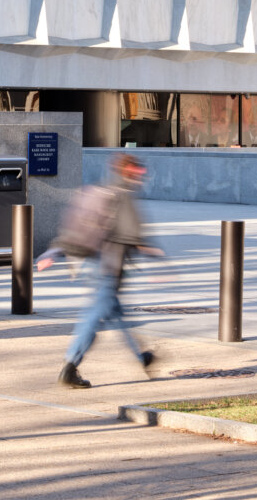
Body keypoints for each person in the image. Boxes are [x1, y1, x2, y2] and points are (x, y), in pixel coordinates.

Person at [41, 153, 163, 389]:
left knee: (117, 313)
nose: (142, 176)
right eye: (139, 172)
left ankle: (142, 356)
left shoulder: (102, 191)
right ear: (131, 172)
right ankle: (71, 365)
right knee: (94, 317)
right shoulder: (124, 196)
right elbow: (132, 236)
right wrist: (156, 257)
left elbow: (79, 227)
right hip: (110, 267)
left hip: (95, 263)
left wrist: (56, 251)